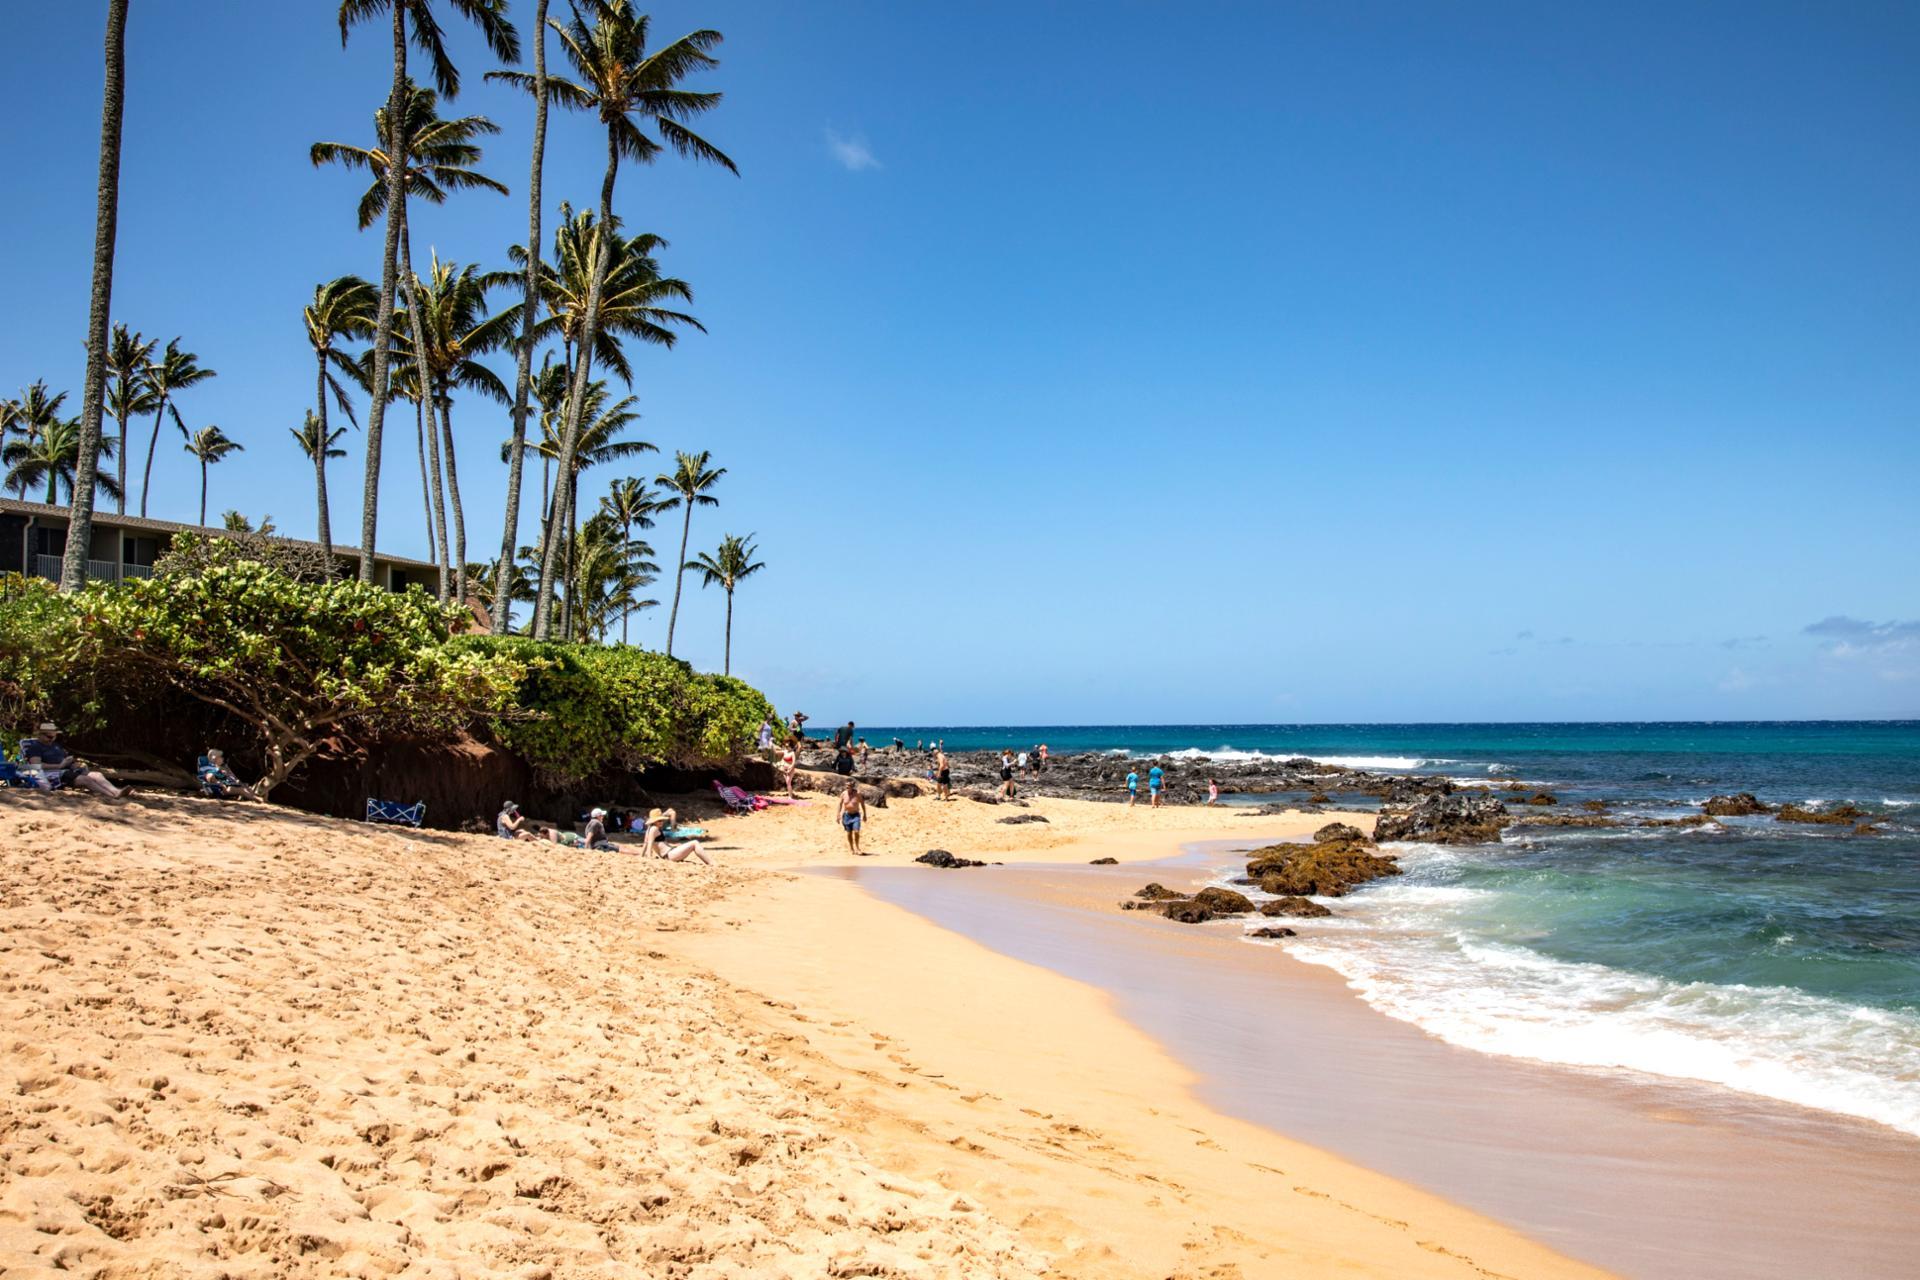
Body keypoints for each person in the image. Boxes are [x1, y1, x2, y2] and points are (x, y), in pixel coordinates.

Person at [21, 723, 133, 799]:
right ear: (40, 735)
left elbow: (66, 758)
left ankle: (116, 791)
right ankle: (111, 795)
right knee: (86, 779)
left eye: (54, 737)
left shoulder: (55, 745)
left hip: (67, 769)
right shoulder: (35, 747)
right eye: (49, 737)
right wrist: (59, 765)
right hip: (54, 773)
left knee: (97, 775)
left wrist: (73, 763)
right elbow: (36, 766)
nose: (52, 739)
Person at [641, 808, 712, 863]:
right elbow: (649, 843)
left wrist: (642, 855)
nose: (661, 822)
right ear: (654, 821)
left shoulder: (650, 829)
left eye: (662, 820)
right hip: (669, 855)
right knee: (695, 843)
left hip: (670, 852)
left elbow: (645, 842)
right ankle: (711, 863)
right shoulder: (654, 829)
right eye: (659, 821)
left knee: (688, 844)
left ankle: (711, 863)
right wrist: (649, 858)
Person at [837, 781, 869, 855]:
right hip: (847, 816)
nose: (847, 787)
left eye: (848, 785)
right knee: (849, 833)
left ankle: (857, 848)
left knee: (856, 831)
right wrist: (838, 815)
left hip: (856, 815)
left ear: (852, 786)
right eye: (846, 785)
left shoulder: (857, 794)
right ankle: (851, 848)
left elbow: (862, 804)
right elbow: (840, 804)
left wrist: (865, 815)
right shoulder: (843, 794)